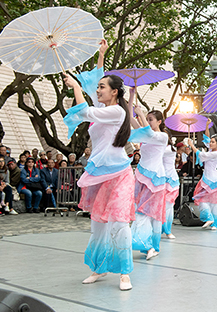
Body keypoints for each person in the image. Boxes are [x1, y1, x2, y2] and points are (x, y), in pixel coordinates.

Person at [62, 39, 135, 291]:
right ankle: (99, 267)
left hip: (120, 174)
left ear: (114, 92)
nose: (99, 90)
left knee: (119, 222)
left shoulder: (117, 113)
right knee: (98, 224)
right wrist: (101, 54)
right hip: (99, 174)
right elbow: (94, 86)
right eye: (99, 88)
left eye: (104, 87)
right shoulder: (104, 105)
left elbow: (85, 112)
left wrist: (74, 86)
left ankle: (124, 273)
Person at [127, 95, 172, 261]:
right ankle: (148, 245)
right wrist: (131, 98)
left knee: (150, 212)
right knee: (141, 209)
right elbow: (131, 119)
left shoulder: (162, 137)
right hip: (141, 175)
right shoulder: (146, 135)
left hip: (155, 178)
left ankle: (153, 245)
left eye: (151, 119)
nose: (149, 121)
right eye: (148, 119)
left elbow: (147, 131)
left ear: (159, 121)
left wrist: (140, 112)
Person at [188, 121, 217, 231]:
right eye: (211, 142)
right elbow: (207, 138)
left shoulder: (215, 154)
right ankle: (214, 223)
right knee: (212, 202)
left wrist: (192, 145)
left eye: (213, 142)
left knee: (202, 199)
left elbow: (201, 154)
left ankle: (210, 218)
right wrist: (207, 126)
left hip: (211, 179)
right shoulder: (213, 150)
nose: (210, 143)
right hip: (212, 178)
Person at [161, 140, 180, 240]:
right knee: (164, 206)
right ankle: (162, 229)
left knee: (168, 205)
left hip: (171, 180)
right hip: (162, 179)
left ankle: (167, 230)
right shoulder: (166, 148)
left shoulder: (169, 149)